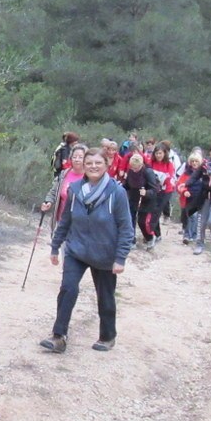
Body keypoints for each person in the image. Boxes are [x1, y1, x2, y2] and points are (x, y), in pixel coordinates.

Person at [39, 147, 133, 354]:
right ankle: (58, 336)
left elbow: (126, 228)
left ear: (107, 165)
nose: (93, 167)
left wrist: (120, 258)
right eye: (89, 163)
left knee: (105, 296)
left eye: (98, 163)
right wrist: (55, 246)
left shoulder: (117, 193)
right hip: (76, 249)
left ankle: (108, 336)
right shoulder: (75, 190)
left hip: (105, 253)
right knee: (68, 289)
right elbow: (66, 221)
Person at [41, 142, 87, 231]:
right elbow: (54, 191)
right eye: (74, 157)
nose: (77, 160)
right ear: (71, 158)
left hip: (79, 226)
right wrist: (48, 201)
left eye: (81, 157)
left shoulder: (90, 178)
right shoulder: (64, 174)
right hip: (60, 221)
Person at [124, 153, 161, 250]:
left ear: (141, 165)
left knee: (142, 222)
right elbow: (127, 185)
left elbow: (155, 189)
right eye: (133, 167)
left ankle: (149, 237)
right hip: (133, 198)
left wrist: (146, 192)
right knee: (130, 220)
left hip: (147, 201)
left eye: (136, 168)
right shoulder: (131, 171)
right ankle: (131, 240)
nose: (134, 170)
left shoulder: (148, 172)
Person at [147, 143, 176, 239]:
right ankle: (157, 234)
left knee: (157, 211)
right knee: (152, 210)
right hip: (155, 190)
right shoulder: (151, 163)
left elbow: (169, 177)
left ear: (164, 154)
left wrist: (159, 182)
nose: (158, 155)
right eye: (156, 153)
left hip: (166, 190)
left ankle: (150, 232)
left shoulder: (169, 164)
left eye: (160, 153)